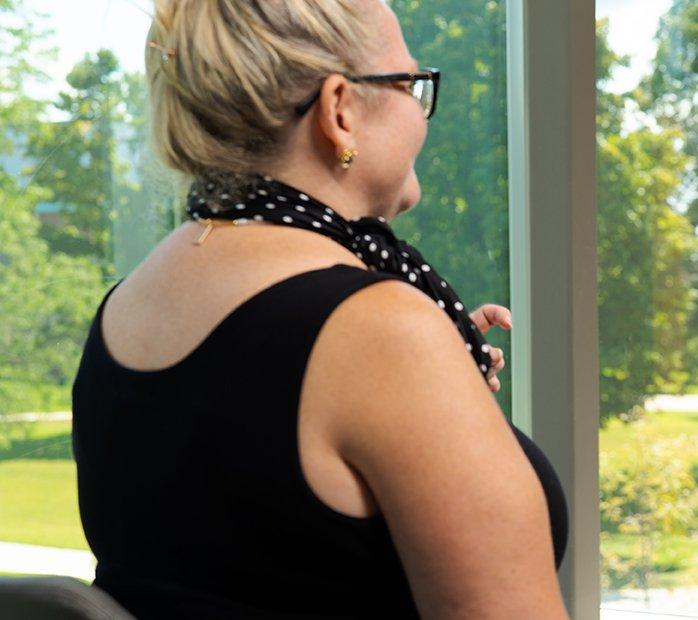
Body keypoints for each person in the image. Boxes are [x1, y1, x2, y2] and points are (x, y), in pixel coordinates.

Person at [69, 1, 568, 617]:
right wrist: (416, 355)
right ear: (339, 111)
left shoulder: (128, 303)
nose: (421, 110)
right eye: (410, 84)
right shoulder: (379, 332)